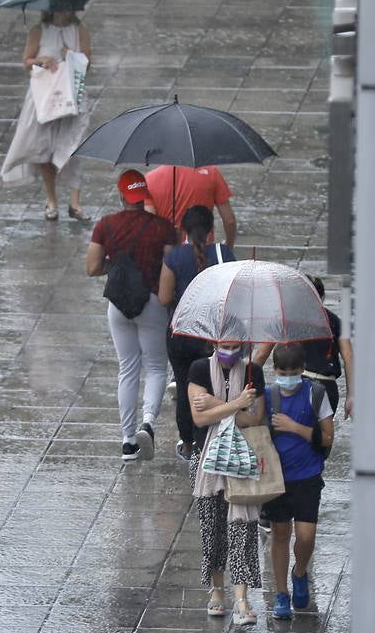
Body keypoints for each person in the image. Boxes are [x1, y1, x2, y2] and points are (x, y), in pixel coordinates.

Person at [86, 169, 177, 460]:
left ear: (121, 195)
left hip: (118, 304)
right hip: (152, 303)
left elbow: (92, 267)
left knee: (127, 368)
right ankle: (148, 423)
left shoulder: (105, 225)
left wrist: (116, 266)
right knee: (156, 366)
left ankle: (127, 441)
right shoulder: (163, 228)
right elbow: (171, 265)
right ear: (144, 196)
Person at [188, 343, 266, 625]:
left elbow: (254, 419)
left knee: (242, 529)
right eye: (225, 345)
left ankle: (242, 599)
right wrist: (235, 404)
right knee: (213, 529)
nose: (229, 350)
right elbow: (199, 417)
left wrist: (215, 405)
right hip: (206, 460)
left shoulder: (252, 373)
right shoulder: (199, 369)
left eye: (235, 346)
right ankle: (218, 590)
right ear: (214, 343)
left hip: (242, 458)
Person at [158, 205, 235, 461]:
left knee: (184, 386)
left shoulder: (174, 258)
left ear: (184, 230)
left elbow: (164, 297)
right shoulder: (223, 253)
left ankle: (190, 444)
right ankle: (215, 436)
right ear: (212, 229)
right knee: (218, 384)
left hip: (181, 335)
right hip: (214, 336)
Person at [264, 343, 334, 620]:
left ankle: (300, 571)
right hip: (277, 479)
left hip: (307, 477)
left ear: (303, 369)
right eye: (283, 371)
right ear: (275, 370)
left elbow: (328, 437)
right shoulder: (268, 395)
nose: (289, 376)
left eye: (294, 371)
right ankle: (281, 593)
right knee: (280, 534)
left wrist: (294, 428)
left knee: (306, 537)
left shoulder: (316, 394)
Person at [1, 11, 92, 221]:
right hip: (44, 97)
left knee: (74, 146)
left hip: (72, 95)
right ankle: (52, 201)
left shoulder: (80, 29)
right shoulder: (38, 30)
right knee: (44, 149)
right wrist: (41, 60)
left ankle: (75, 203)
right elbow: (27, 61)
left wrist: (70, 55)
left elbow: (88, 62)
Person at [254, 276, 353, 418]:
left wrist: (246, 379)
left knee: (289, 434)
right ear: (322, 298)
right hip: (327, 387)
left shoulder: (283, 318)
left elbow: (261, 355)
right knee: (322, 436)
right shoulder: (335, 321)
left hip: (295, 385)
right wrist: (351, 395)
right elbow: (348, 356)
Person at [145, 165, 237, 247]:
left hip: (166, 255)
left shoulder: (149, 179)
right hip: (203, 253)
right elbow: (229, 220)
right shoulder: (212, 172)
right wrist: (229, 246)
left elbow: (149, 225)